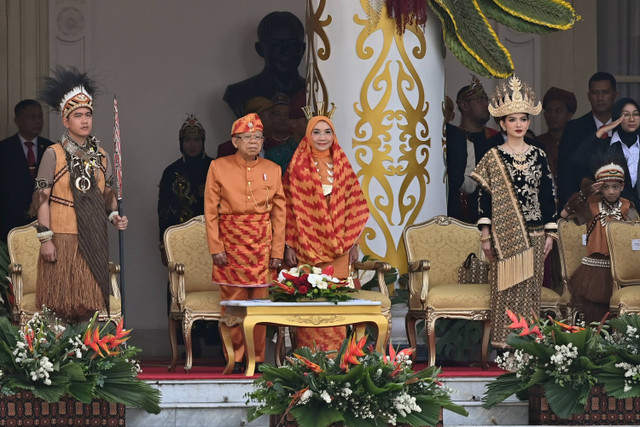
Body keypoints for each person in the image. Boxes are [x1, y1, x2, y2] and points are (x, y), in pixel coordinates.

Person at [30, 67, 128, 323]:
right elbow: (41, 197)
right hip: (62, 236)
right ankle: (60, 359)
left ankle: (85, 359)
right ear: (66, 120)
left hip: (93, 236)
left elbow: (107, 194)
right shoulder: (54, 153)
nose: (84, 120)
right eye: (77, 115)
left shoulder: (103, 155)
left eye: (88, 115)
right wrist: (45, 239)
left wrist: (116, 214)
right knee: (61, 306)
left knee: (88, 306)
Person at [471, 76, 557, 348]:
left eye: (524, 119)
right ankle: (503, 344)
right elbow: (483, 198)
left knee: (530, 292)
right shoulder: (493, 155)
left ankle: (527, 346)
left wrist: (550, 234)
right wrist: (485, 235)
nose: (519, 124)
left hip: (533, 233)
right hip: (503, 234)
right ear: (501, 123)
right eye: (513, 120)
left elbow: (548, 197)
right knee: (505, 290)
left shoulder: (539, 155)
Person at [204, 113, 285, 373]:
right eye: (247, 137)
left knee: (260, 304)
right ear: (235, 141)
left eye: (258, 137)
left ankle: (257, 358)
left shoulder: (273, 169)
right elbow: (210, 211)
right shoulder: (218, 166)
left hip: (262, 243)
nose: (253, 142)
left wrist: (278, 250)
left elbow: (280, 214)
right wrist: (216, 247)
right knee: (234, 304)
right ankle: (236, 357)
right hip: (231, 241)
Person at [283, 112, 370, 351]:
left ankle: (337, 359)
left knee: (336, 303)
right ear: (307, 135)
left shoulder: (342, 164)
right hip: (306, 244)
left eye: (327, 132)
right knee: (310, 301)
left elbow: (356, 205)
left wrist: (354, 243)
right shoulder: (297, 167)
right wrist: (289, 244)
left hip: (340, 246)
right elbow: (288, 209)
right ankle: (309, 360)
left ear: (334, 135)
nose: (322, 137)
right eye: (316, 132)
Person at [561, 162, 638, 324]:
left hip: (621, 265)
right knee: (595, 307)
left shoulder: (626, 206)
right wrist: (585, 194)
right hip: (596, 265)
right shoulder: (591, 204)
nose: (611, 191)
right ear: (599, 188)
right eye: (606, 187)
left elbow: (635, 232)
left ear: (622, 187)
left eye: (615, 187)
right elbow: (563, 214)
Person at [223, 11, 306, 118]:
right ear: (260, 49)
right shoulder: (238, 93)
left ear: (302, 49)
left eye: (292, 45)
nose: (285, 52)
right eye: (277, 45)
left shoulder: (315, 93)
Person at [558, 72, 617, 211]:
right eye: (595, 93)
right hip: (584, 208)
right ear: (589, 96)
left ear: (615, 95)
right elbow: (565, 171)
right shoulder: (573, 129)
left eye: (605, 92)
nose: (600, 98)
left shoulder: (626, 126)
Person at [158, 114, 213, 260]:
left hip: (211, 237)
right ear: (181, 142)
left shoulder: (215, 167)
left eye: (197, 140)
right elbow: (163, 210)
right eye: (188, 140)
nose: (192, 145)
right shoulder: (171, 172)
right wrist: (163, 244)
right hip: (180, 237)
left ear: (203, 141)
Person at [0, 100, 54, 242]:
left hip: (45, 225)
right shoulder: (4, 149)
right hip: (10, 226)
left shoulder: (52, 149)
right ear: (17, 120)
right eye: (32, 117)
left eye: (40, 116)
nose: (38, 121)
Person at [571, 98, 640, 208]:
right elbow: (577, 159)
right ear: (617, 116)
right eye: (625, 115)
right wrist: (601, 131)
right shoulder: (605, 146)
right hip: (613, 214)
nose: (632, 119)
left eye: (636, 114)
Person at [452, 76, 499, 223]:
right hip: (462, 211)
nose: (486, 104)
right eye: (479, 100)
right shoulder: (453, 141)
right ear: (464, 106)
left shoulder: (495, 138)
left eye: (486, 100)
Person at [537, 87, 577, 181]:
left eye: (558, 111)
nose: (552, 115)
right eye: (549, 111)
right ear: (544, 115)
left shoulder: (577, 143)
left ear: (569, 115)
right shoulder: (537, 143)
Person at [264, 93, 299, 175]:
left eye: (286, 115)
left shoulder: (297, 143)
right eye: (277, 114)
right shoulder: (262, 144)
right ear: (271, 117)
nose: (282, 118)